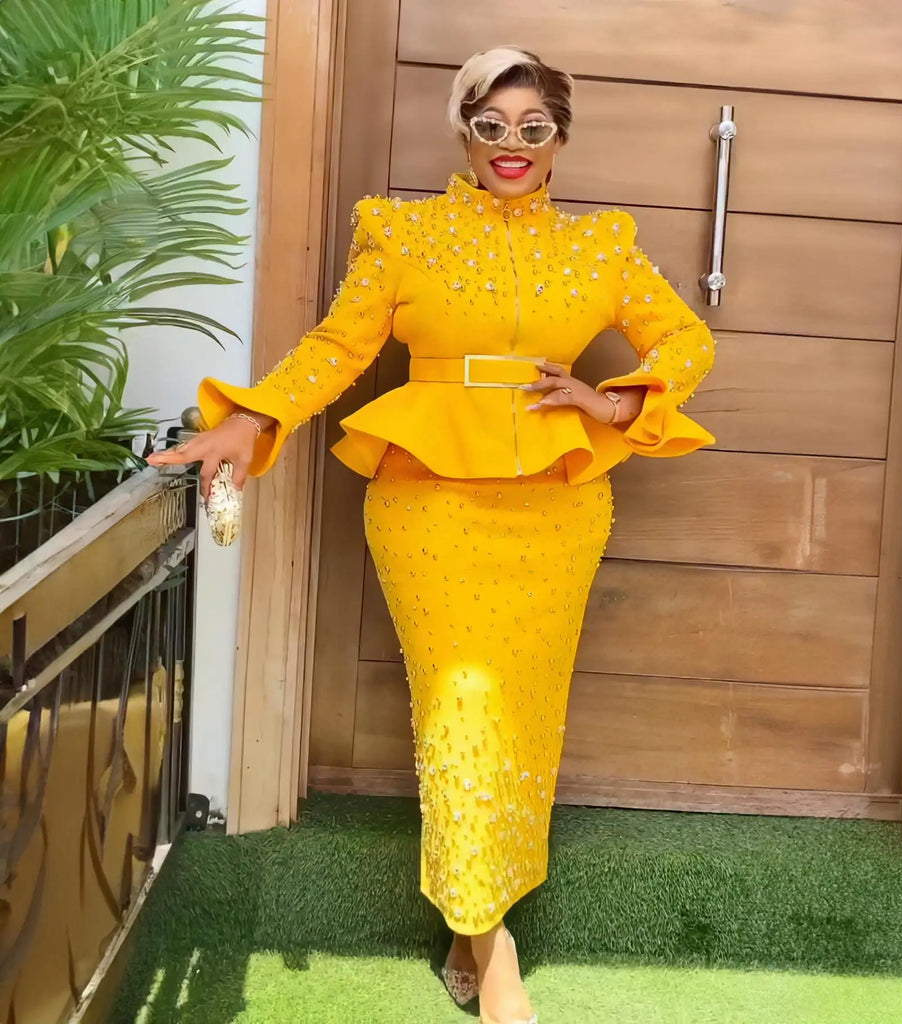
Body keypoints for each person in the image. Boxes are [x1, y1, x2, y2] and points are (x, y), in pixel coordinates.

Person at [148, 45, 716, 1024]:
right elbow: (336, 348)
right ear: (464, 131)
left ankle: (470, 917)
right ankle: (496, 954)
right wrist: (253, 417)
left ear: (560, 138)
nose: (510, 144)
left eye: (532, 127)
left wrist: (614, 402)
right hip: (429, 510)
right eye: (489, 125)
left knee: (521, 718)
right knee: (461, 709)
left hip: (558, 510)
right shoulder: (401, 233)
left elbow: (687, 339)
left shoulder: (602, 245)